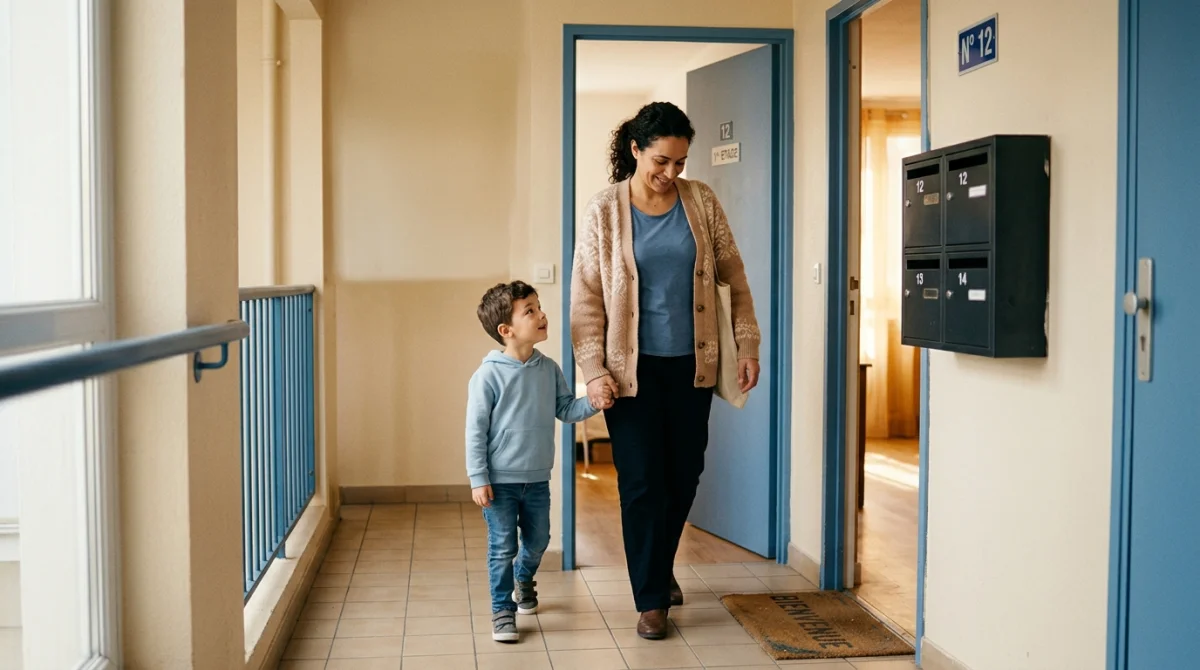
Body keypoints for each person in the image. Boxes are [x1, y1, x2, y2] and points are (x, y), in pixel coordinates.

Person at [570, 101, 761, 640]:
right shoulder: (604, 210)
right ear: (635, 149)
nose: (670, 173)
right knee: (640, 482)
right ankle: (651, 599)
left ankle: (659, 563)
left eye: (679, 162)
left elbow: (734, 278)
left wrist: (747, 346)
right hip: (628, 373)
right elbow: (586, 296)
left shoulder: (701, 201)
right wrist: (591, 370)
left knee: (683, 474)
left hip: (692, 366)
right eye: (660, 161)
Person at [465, 280, 608, 643]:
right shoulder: (488, 376)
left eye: (538, 306)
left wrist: (594, 401)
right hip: (498, 481)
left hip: (537, 478)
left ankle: (523, 577)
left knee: (539, 539)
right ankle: (502, 610)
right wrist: (478, 477)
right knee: (502, 547)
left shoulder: (549, 369)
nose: (542, 314)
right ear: (506, 330)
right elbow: (475, 431)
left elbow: (565, 408)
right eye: (529, 310)